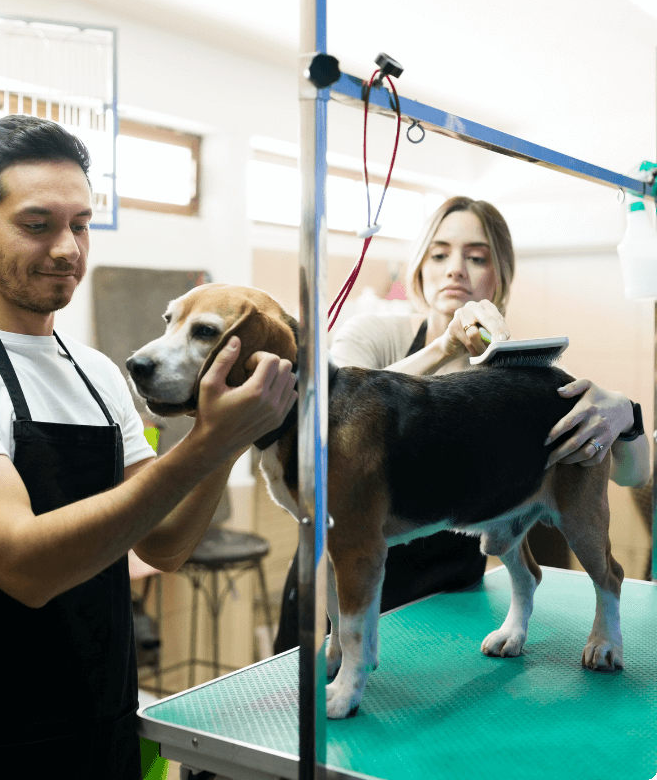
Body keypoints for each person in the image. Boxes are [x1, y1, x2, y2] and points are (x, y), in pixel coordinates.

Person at [0, 115, 297, 780]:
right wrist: (206, 444)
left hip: (101, 726)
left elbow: (164, 544)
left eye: (81, 223)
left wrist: (228, 438)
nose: (68, 248)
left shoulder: (96, 374)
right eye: (38, 224)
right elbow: (24, 566)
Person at [274, 196, 649, 653]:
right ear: (418, 269)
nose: (455, 268)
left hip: (449, 604)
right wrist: (446, 345)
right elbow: (336, 407)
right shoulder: (372, 333)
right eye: (439, 254)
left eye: (476, 257)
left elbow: (634, 475)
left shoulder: (518, 378)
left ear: (501, 277)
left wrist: (626, 415)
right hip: (338, 594)